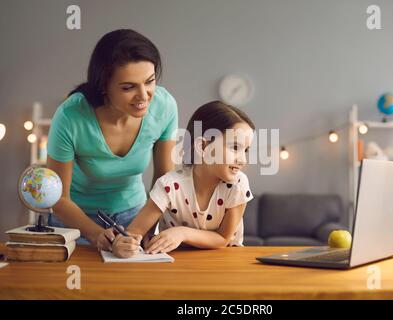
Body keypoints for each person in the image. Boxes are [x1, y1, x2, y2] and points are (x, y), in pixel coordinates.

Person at [46, 29, 178, 251]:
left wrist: (142, 230)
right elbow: (59, 199)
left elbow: (163, 182)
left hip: (135, 218)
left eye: (149, 81)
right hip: (73, 223)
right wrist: (97, 235)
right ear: (103, 86)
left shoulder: (165, 107)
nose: (143, 96)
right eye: (128, 87)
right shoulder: (70, 116)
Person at [112, 100, 255, 258]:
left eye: (246, 150)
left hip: (226, 263)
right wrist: (123, 244)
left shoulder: (238, 185)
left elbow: (222, 239)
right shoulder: (168, 186)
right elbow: (133, 233)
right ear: (203, 147)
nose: (242, 159)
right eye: (235, 147)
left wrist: (181, 233)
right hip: (179, 265)